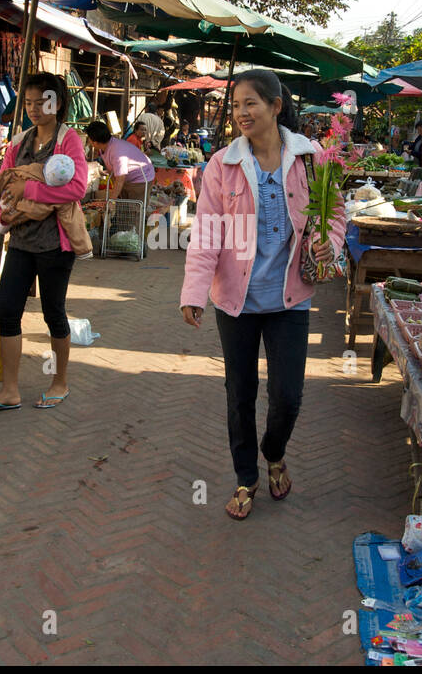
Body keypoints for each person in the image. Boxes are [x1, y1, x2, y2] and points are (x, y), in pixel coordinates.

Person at [180, 68, 345, 522]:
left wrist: (327, 240)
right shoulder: (223, 165)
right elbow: (207, 234)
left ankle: (274, 452)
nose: (241, 113)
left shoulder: (312, 159)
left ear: (275, 106)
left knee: (288, 395)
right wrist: (194, 292)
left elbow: (334, 214)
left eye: (250, 103)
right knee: (240, 393)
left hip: (291, 298)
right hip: (236, 300)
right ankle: (245, 478)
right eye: (235, 106)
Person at [0, 72, 89, 415]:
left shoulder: (68, 140)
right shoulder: (19, 142)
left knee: (53, 313)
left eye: (42, 101)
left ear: (57, 103)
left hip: (55, 244)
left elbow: (77, 188)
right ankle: (9, 390)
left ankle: (59, 382)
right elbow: (1, 184)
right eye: (28, 102)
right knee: (8, 311)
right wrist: (4, 211)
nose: (34, 108)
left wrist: (31, 191)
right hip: (22, 240)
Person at [85, 119, 155, 200]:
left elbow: (120, 179)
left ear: (95, 142)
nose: (88, 141)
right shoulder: (104, 147)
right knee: (123, 204)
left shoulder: (117, 152)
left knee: (135, 209)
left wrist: (112, 200)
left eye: (89, 139)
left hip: (141, 178)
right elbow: (114, 173)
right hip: (129, 178)